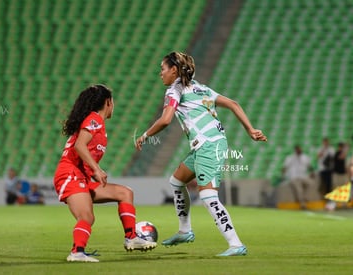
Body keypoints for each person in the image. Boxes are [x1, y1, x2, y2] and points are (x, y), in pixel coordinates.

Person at [135, 52, 267, 257]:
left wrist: (145, 135)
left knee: (207, 195)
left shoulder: (174, 90)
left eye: (162, 69)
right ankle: (185, 230)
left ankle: (235, 244)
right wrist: (250, 129)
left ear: (174, 70)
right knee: (177, 181)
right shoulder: (200, 87)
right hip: (204, 145)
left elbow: (165, 119)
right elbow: (234, 104)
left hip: (209, 145)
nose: (160, 73)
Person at [53, 84, 156, 263]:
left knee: (125, 193)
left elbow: (83, 154)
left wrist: (93, 172)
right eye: (113, 101)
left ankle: (131, 238)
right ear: (108, 102)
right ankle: (77, 252)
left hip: (81, 176)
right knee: (86, 216)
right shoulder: (94, 119)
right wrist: (97, 169)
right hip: (69, 175)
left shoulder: (97, 124)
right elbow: (79, 146)